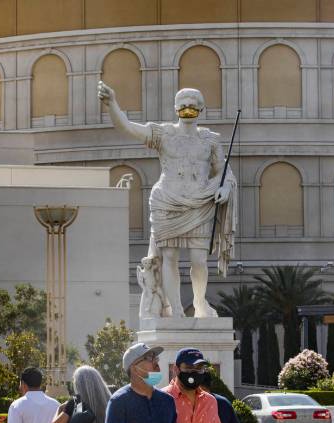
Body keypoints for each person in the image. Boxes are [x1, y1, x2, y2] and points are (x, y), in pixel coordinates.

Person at [98, 82, 237, 318]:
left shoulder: (211, 140)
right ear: (175, 108)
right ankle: (176, 310)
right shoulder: (163, 134)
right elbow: (128, 127)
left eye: (193, 106)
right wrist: (112, 104)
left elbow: (224, 171)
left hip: (201, 201)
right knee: (169, 257)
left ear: (201, 109)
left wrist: (224, 187)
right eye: (183, 105)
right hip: (167, 201)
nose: (188, 109)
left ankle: (200, 302)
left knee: (199, 260)